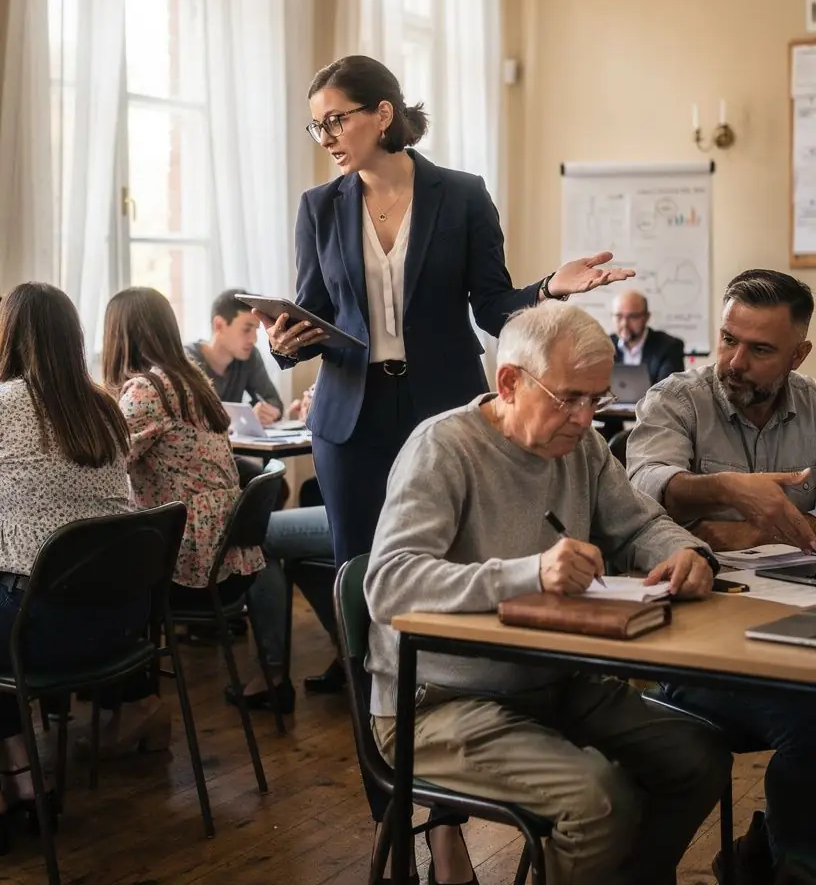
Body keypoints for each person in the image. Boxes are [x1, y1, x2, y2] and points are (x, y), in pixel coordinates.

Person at [365, 301, 731, 885]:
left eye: (597, 399)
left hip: (555, 680)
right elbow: (389, 585)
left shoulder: (583, 447)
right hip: (437, 702)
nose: (586, 416)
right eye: (570, 398)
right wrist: (528, 572)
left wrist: (687, 549)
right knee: (596, 797)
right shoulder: (444, 448)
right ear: (509, 380)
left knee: (696, 756)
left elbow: (640, 525)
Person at [261, 55, 634, 709]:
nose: (326, 139)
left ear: (383, 114)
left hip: (445, 410)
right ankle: (380, 732)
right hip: (350, 420)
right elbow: (312, 310)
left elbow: (490, 304)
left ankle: (466, 714)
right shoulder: (318, 207)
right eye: (315, 127)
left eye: (336, 121)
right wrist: (283, 343)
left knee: (453, 564)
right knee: (364, 572)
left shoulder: (460, 194)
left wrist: (549, 288)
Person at [627, 268, 816, 885]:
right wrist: (722, 491)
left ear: (798, 354)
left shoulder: (812, 410)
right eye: (728, 338)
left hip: (785, 629)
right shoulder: (678, 399)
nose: (734, 361)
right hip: (686, 653)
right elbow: (642, 489)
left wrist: (743, 527)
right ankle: (781, 869)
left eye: (759, 350)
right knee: (812, 720)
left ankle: (765, 853)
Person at [100, 287, 267, 754]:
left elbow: (98, 463)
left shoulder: (145, 391)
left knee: (93, 581)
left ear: (120, 337)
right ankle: (130, 703)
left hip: (192, 566)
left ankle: (133, 704)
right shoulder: (189, 377)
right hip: (228, 563)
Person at [0, 283, 131, 842]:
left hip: (43, 631)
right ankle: (24, 778)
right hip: (122, 623)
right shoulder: (103, 405)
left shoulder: (3, 405)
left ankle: (20, 782)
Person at [187, 289, 284, 490]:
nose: (254, 339)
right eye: (246, 329)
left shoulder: (249, 357)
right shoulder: (188, 361)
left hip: (227, 452)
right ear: (219, 325)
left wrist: (263, 411)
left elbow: (275, 403)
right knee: (268, 487)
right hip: (196, 459)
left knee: (276, 487)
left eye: (256, 330)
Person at [611, 290, 685, 384]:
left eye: (632, 316)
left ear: (647, 317)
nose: (624, 323)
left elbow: (667, 392)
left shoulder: (669, 346)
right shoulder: (604, 345)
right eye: (618, 316)